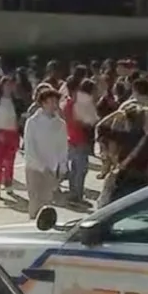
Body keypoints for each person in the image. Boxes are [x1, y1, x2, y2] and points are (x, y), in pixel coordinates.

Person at [22, 88, 69, 218]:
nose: (54, 105)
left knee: (47, 200)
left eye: (56, 102)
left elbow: (63, 146)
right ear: (43, 103)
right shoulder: (33, 122)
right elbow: (30, 146)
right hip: (34, 167)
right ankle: (33, 222)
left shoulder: (60, 124)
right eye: (51, 101)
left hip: (51, 168)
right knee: (35, 200)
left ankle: (44, 225)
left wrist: (63, 167)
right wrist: (41, 166)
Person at [62, 77, 100, 206]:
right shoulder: (78, 105)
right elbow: (85, 122)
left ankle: (74, 193)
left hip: (72, 138)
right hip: (80, 139)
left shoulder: (68, 104)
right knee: (81, 169)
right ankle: (76, 195)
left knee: (75, 168)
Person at [0, 77, 22, 199]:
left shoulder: (17, 102)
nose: (8, 87)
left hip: (12, 133)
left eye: (10, 85)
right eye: (6, 85)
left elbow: (20, 118)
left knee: (9, 161)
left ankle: (8, 183)